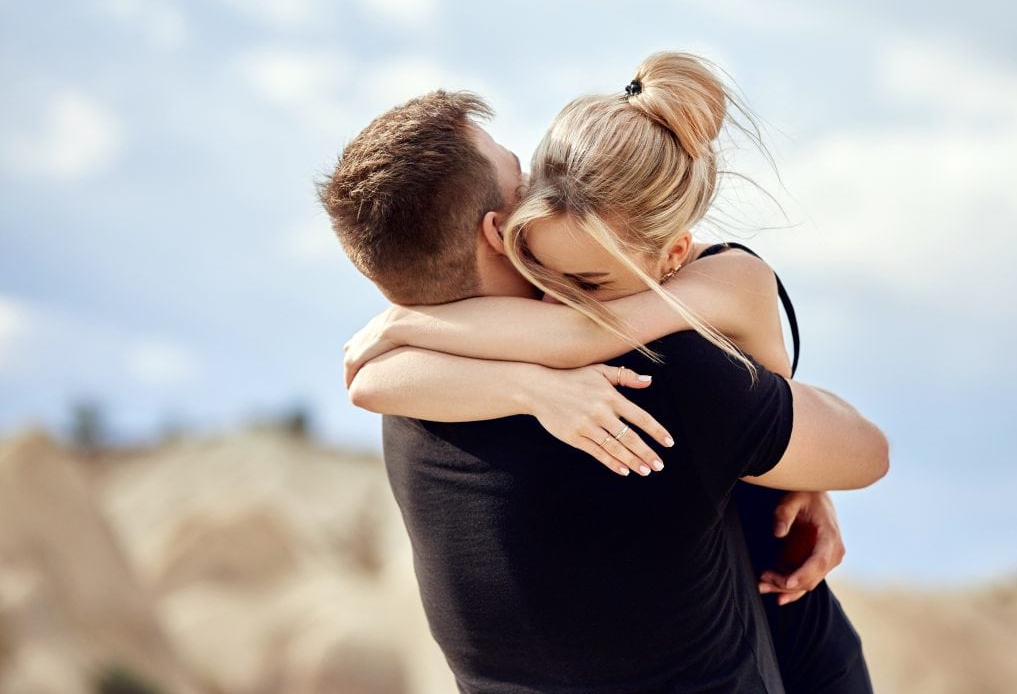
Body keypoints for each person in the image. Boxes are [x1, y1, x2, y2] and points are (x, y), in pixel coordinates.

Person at [320, 82, 888, 692]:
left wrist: (411, 324)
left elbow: (371, 379)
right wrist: (799, 465)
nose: (534, 183)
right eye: (521, 178)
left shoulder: (417, 397)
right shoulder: (656, 377)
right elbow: (867, 450)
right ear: (499, 228)